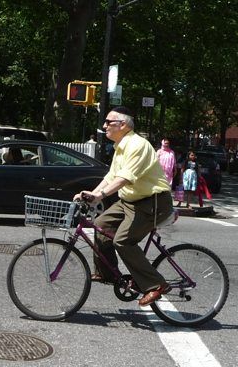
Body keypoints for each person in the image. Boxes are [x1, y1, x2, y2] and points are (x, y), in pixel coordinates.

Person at [73, 106, 173, 307]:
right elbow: (111, 176)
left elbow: (125, 178)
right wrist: (92, 195)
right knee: (100, 225)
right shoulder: (121, 146)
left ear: (123, 125)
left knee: (123, 241)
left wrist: (100, 195)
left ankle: (156, 284)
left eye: (109, 122)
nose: (104, 125)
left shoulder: (138, 145)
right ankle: (108, 274)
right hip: (130, 201)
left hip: (152, 201)